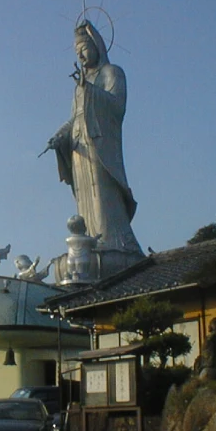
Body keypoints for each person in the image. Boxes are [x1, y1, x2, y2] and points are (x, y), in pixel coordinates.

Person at [43, 19, 143, 257]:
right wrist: (59, 136)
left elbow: (117, 105)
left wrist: (90, 91)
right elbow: (74, 118)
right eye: (77, 52)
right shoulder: (80, 84)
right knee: (85, 197)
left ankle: (114, 240)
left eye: (84, 48)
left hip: (100, 145)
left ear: (97, 45)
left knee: (102, 194)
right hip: (79, 147)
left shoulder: (112, 73)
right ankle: (87, 242)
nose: (81, 55)